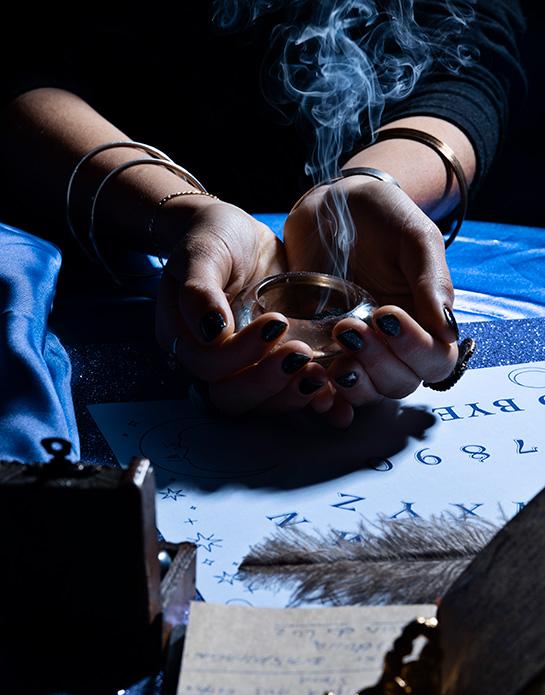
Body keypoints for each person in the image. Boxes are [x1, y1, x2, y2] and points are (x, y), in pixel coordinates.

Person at [0, 1, 526, 429]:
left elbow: (471, 51)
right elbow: (19, 60)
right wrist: (182, 216)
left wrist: (369, 188)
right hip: (81, 234)